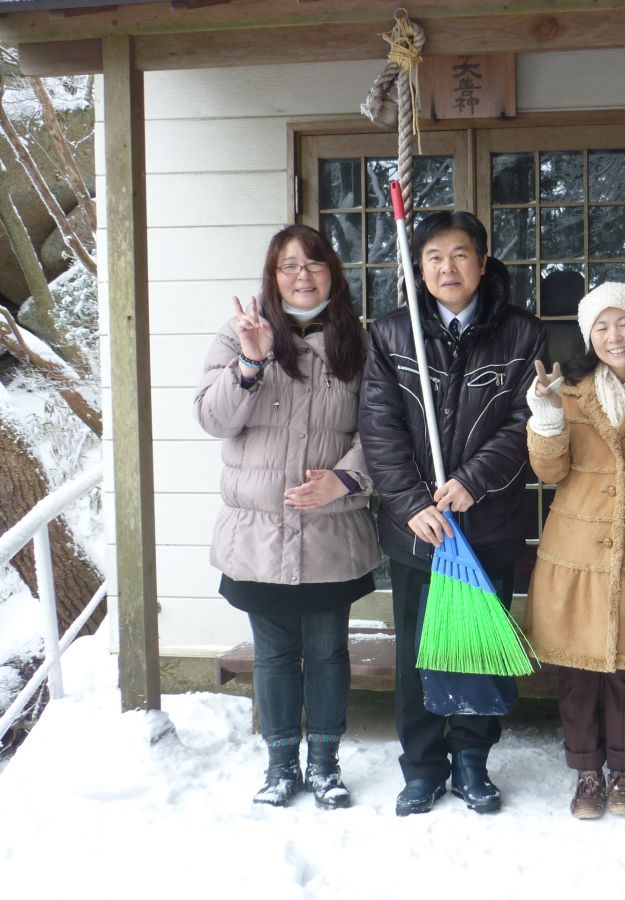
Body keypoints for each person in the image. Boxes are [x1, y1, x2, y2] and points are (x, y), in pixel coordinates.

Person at [358, 211, 547, 817]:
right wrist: (412, 502)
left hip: (487, 523)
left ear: (483, 263)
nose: (448, 267)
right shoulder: (391, 334)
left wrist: (474, 479)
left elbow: (527, 422)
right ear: (420, 267)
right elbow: (378, 427)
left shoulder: (521, 333)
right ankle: (421, 766)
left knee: (476, 645)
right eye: (434, 256)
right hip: (418, 532)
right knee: (419, 648)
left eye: (460, 254)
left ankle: (472, 760)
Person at [194, 224, 379, 809]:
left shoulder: (360, 342)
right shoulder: (240, 334)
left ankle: (324, 765)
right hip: (258, 536)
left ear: (334, 272)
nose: (302, 276)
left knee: (327, 651)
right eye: (288, 266)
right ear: (272, 276)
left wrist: (343, 479)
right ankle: (279, 768)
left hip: (330, 532)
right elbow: (213, 419)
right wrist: (250, 364)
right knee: (273, 654)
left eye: (314, 264)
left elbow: (381, 430)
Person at [524, 282, 625, 820]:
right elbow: (549, 472)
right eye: (602, 326)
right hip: (576, 557)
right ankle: (587, 773)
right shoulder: (565, 392)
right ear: (589, 336)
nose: (615, 336)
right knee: (578, 671)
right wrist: (545, 417)